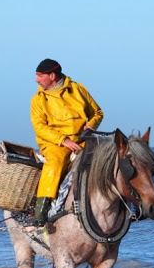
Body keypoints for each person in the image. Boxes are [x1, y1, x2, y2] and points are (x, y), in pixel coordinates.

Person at [30, 58, 103, 226]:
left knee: (106, 159)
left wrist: (90, 126)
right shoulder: (38, 100)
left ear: (52, 75)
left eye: (40, 76)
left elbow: (97, 112)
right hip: (54, 143)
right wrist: (63, 140)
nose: (37, 80)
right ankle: (41, 212)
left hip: (81, 140)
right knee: (54, 163)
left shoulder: (78, 89)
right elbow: (40, 127)